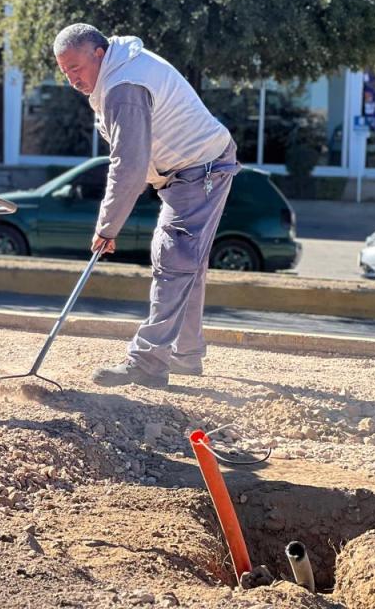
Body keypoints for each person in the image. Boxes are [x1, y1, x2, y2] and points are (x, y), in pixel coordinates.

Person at [53, 23, 240, 388]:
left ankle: (149, 362)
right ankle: (184, 354)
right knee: (187, 261)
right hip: (195, 167)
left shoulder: (125, 87)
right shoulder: (120, 71)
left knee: (173, 257)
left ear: (99, 54)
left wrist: (107, 227)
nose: (72, 79)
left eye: (76, 69)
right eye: (64, 72)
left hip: (199, 169)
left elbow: (130, 166)